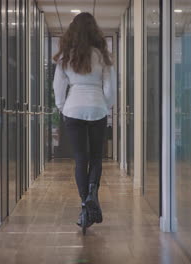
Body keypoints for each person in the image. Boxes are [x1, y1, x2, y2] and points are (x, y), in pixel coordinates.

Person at [52, 12, 115, 234]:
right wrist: (105, 106)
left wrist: (63, 107)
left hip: (73, 108)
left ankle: (85, 207)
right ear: (94, 31)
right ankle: (92, 195)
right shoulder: (103, 56)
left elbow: (58, 88)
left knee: (80, 159)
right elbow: (110, 89)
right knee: (96, 157)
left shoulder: (65, 57)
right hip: (97, 107)